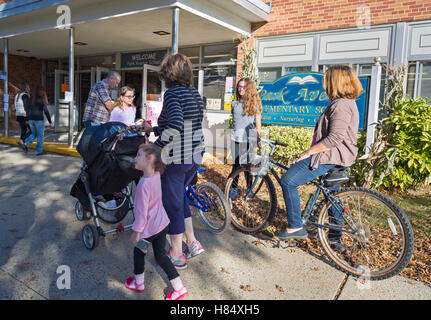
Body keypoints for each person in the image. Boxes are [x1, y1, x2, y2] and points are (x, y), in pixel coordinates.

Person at [275, 65, 363, 247]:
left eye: (326, 78)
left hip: (329, 157)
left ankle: (295, 227)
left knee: (288, 181)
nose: (323, 82)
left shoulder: (340, 105)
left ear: (335, 81)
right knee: (333, 196)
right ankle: (334, 238)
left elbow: (334, 138)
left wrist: (307, 152)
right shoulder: (346, 102)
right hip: (339, 158)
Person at [143, 53, 205, 270]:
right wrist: (155, 129)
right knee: (180, 198)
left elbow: (177, 124)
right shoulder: (194, 93)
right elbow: (188, 123)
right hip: (195, 155)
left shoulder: (171, 94)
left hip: (177, 158)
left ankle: (177, 255)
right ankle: (193, 242)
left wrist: (157, 146)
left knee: (172, 205)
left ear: (168, 73)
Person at [126, 143, 188, 300]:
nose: (135, 158)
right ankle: (179, 288)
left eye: (139, 155)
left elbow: (141, 214)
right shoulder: (156, 175)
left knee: (138, 252)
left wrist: (136, 232)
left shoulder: (142, 185)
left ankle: (138, 283)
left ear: (150, 159)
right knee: (161, 256)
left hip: (148, 230)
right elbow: (158, 165)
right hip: (162, 224)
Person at [229, 77, 262, 199]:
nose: (240, 89)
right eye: (239, 86)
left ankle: (249, 189)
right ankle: (233, 188)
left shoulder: (254, 104)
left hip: (249, 139)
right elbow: (236, 121)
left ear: (248, 89)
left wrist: (258, 137)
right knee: (236, 165)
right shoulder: (234, 104)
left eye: (243, 87)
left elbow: (258, 123)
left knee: (249, 166)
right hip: (236, 138)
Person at [22, 85, 53, 155]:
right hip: (38, 120)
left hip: (31, 120)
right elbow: (46, 111)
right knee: (40, 136)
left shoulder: (31, 99)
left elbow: (27, 109)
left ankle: (26, 144)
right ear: (42, 91)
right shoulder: (42, 99)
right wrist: (50, 121)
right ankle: (39, 151)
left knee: (34, 133)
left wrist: (27, 118)